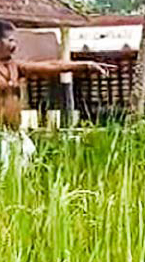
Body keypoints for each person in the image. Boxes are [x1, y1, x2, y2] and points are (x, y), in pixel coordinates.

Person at [0, 20, 112, 170]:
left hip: (13, 133)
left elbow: (51, 65)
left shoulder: (15, 67)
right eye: (10, 40)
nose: (14, 45)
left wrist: (86, 65)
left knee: (24, 170)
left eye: (15, 40)